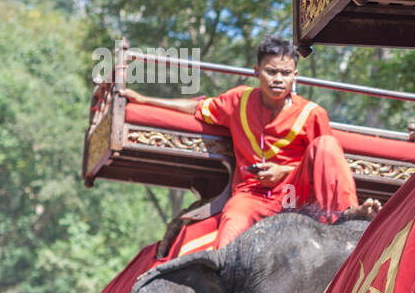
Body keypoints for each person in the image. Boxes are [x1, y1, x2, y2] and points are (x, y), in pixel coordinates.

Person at [124, 35, 379, 247]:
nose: (278, 79)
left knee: (327, 145)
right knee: (230, 229)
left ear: (295, 76)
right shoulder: (238, 100)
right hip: (252, 194)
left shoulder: (311, 113)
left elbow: (324, 163)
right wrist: (145, 100)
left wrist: (283, 171)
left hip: (295, 192)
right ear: (257, 72)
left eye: (286, 73)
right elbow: (196, 107)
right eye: (271, 72)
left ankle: (349, 217)